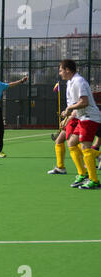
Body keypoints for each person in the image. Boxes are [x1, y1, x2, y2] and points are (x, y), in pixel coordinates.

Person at [59, 59, 101, 189]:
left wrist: (69, 109)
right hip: (82, 117)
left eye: (61, 70)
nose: (60, 73)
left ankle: (94, 180)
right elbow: (75, 107)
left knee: (86, 148)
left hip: (90, 117)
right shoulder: (71, 82)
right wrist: (66, 119)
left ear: (68, 70)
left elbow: (84, 102)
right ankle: (82, 174)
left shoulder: (78, 81)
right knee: (71, 143)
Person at [47, 110, 78, 174]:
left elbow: (77, 107)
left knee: (72, 144)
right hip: (72, 119)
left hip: (76, 119)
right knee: (59, 141)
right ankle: (60, 167)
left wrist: (67, 117)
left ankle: (96, 155)